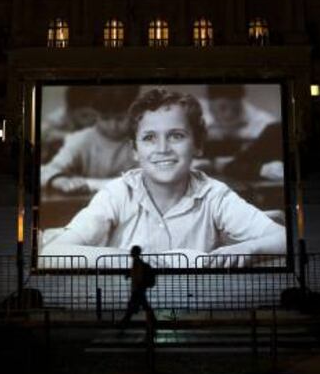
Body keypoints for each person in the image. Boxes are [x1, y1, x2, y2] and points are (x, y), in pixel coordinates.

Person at [40, 88, 286, 267]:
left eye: (176, 136)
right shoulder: (117, 194)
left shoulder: (214, 194)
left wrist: (248, 248)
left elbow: (286, 239)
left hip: (194, 306)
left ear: (198, 145)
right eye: (149, 138)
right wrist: (144, 261)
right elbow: (50, 254)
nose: (162, 149)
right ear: (134, 150)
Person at [41, 85, 140, 195]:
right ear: (95, 115)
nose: (113, 126)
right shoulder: (81, 140)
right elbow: (44, 172)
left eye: (120, 118)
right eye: (105, 118)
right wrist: (58, 180)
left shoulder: (140, 140)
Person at [203, 85, 284, 182]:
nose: (229, 114)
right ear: (209, 104)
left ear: (242, 101)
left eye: (235, 108)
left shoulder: (265, 123)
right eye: (222, 108)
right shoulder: (196, 118)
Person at [41, 86, 100, 163]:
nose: (89, 120)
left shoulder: (101, 118)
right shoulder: (60, 116)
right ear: (70, 111)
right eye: (84, 115)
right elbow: (42, 132)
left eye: (94, 116)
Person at [118, 245, 156, 330]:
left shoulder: (137, 263)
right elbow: (137, 274)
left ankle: (124, 324)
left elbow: (138, 275)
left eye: (132, 251)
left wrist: (131, 277)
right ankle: (152, 322)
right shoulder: (137, 262)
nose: (130, 253)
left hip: (138, 289)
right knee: (142, 306)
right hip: (139, 289)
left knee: (134, 307)